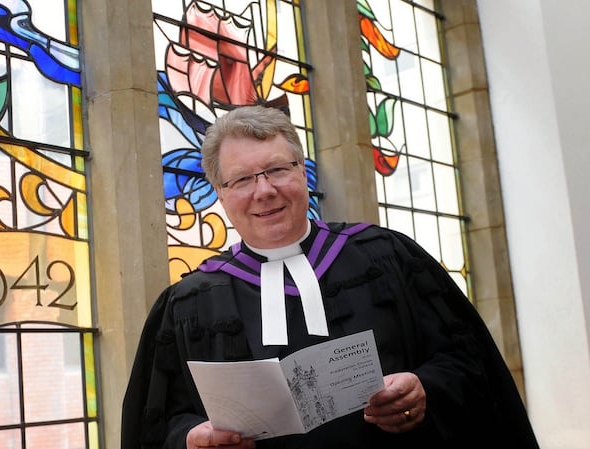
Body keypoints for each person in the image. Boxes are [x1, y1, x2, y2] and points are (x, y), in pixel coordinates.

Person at [121, 105, 539, 449]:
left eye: (277, 170)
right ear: (221, 193)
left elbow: (472, 365)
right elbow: (158, 424)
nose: (264, 191)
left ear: (302, 172)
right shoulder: (190, 303)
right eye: (243, 179)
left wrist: (424, 387)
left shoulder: (386, 257)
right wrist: (192, 438)